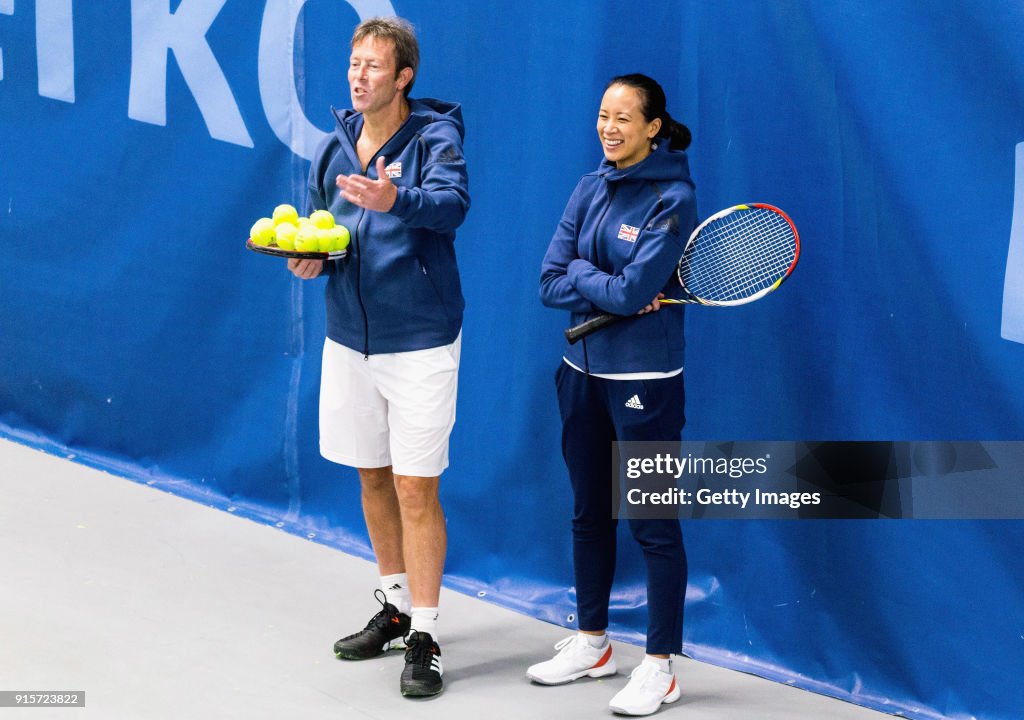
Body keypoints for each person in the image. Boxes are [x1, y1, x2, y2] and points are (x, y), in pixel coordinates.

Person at [288, 16, 469, 698]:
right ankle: (393, 605)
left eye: (373, 65)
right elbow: (325, 232)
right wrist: (312, 258)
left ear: (404, 77)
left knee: (416, 487)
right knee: (372, 478)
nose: (358, 75)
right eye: (353, 62)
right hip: (348, 339)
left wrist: (399, 198)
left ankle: (424, 634)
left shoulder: (435, 138)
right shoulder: (333, 151)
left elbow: (452, 208)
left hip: (420, 340)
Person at [531, 73, 696, 716]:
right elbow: (550, 280)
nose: (610, 127)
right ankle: (593, 643)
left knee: (653, 524)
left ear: (653, 127)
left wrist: (593, 279)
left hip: (645, 384)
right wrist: (597, 278)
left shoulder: (673, 198)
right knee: (587, 512)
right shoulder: (589, 184)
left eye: (624, 117)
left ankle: (660, 667)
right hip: (580, 374)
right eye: (604, 114)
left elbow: (632, 297)